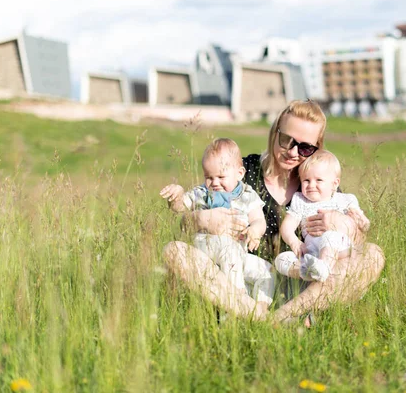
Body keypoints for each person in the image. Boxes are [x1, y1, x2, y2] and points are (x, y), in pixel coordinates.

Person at [163, 99, 385, 323]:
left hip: (302, 286)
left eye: (306, 147)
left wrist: (344, 224)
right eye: (287, 140)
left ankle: (286, 315)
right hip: (238, 282)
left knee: (374, 256)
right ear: (274, 132)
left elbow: (354, 242)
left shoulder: (319, 183)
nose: (294, 152)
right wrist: (200, 218)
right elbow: (184, 225)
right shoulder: (242, 171)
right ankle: (254, 315)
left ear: (317, 147)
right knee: (174, 251)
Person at [160, 138, 274, 307]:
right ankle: (238, 300)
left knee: (267, 270)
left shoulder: (247, 194)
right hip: (208, 248)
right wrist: (177, 195)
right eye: (208, 177)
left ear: (240, 173)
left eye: (221, 176)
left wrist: (255, 231)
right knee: (228, 248)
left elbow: (258, 220)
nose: (214, 183)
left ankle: (261, 307)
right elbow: (180, 207)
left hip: (240, 254)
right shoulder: (202, 193)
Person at [276, 149, 368, 284]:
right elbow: (287, 227)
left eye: (319, 180)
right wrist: (294, 242)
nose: (311, 185)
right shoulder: (300, 200)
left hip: (339, 249)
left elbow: (362, 225)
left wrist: (362, 222)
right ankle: (306, 272)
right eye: (306, 180)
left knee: (329, 236)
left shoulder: (345, 200)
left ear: (335, 184)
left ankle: (323, 268)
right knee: (282, 259)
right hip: (311, 253)